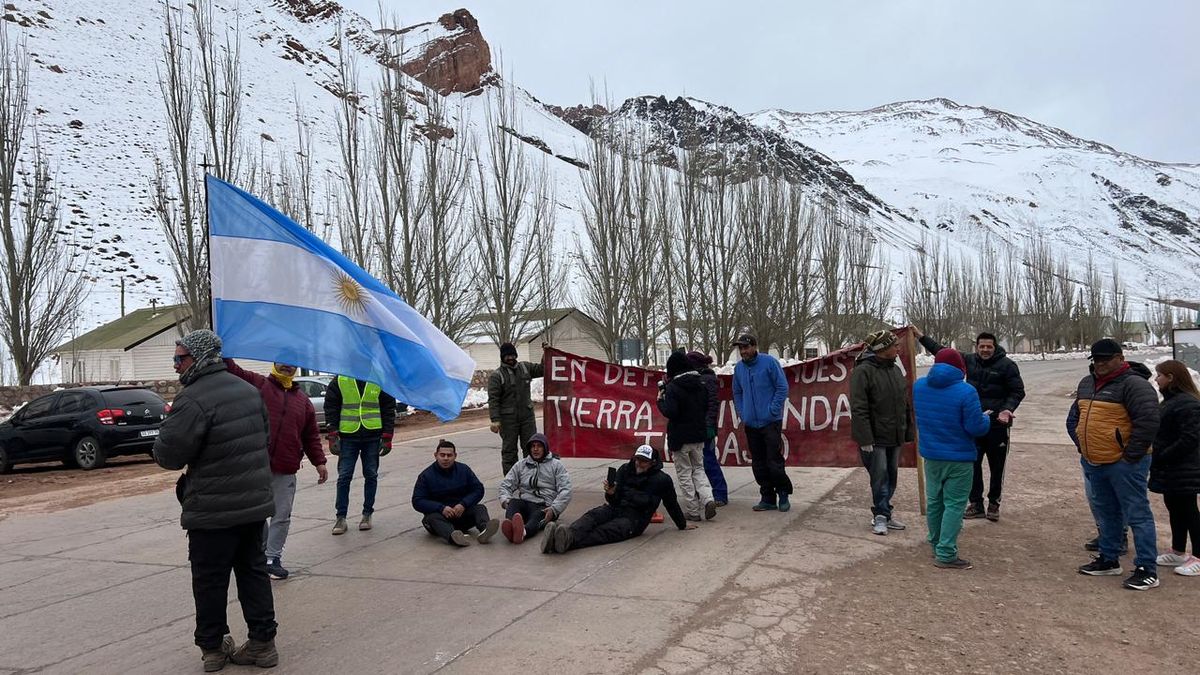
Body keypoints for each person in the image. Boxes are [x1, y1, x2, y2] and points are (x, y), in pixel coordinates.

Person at [153, 330, 278, 671]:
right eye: (175, 359)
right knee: (253, 573)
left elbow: (169, 456)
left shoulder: (192, 400)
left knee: (210, 581)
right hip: (253, 507)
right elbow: (264, 440)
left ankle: (212, 648)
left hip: (211, 510)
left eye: (181, 358)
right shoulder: (250, 392)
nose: (176, 365)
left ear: (200, 357)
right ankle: (263, 643)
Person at [1068, 339, 1161, 591]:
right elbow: (1076, 417)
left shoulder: (1135, 385)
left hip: (1124, 463)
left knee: (1137, 513)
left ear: (1120, 358)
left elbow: (1149, 422)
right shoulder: (1087, 383)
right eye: (1096, 359)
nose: (1100, 364)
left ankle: (1146, 568)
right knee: (1106, 512)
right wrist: (1083, 445)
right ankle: (1109, 558)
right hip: (1094, 461)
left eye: (1106, 359)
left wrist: (1130, 456)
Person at [225, 359, 328, 580]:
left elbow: (310, 436)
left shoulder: (303, 402)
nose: (287, 366)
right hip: (255, 465)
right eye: (283, 362)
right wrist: (225, 349)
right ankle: (260, 553)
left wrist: (319, 461)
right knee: (256, 514)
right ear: (274, 363)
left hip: (286, 467)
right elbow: (233, 370)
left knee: (281, 515)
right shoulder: (259, 384)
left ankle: (272, 558)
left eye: (292, 363)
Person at [914, 329, 1025, 521]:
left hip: (997, 425)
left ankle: (994, 503)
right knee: (972, 466)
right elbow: (942, 352)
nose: (985, 350)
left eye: (989, 346)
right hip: (972, 423)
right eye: (981, 346)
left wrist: (1007, 409)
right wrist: (921, 337)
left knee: (997, 467)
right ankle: (976, 504)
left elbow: (1017, 391)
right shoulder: (970, 360)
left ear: (995, 346)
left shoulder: (1007, 366)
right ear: (976, 347)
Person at [914, 349, 992, 570]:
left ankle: (935, 542)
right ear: (961, 368)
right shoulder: (966, 391)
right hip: (959, 457)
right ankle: (946, 553)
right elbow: (975, 427)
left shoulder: (918, 386)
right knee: (955, 505)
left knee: (935, 501)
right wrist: (986, 419)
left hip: (930, 455)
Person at [542, 445, 695, 554]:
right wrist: (611, 492)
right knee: (593, 515)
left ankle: (565, 542)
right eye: (637, 459)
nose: (638, 463)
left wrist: (681, 524)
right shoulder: (625, 470)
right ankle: (565, 534)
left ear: (653, 463)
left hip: (634, 519)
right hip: (615, 508)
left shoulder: (662, 480)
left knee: (604, 532)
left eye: (643, 461)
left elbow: (667, 503)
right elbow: (613, 500)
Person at [850, 329, 913, 535]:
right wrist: (865, 438)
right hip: (875, 438)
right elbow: (859, 407)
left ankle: (884, 512)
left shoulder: (895, 370)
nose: (898, 348)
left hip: (894, 435)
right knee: (880, 477)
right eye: (894, 345)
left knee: (891, 476)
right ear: (882, 348)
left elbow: (903, 404)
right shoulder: (863, 371)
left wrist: (907, 431)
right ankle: (880, 515)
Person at [730, 333, 793, 512]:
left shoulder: (769, 363)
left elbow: (782, 387)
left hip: (770, 421)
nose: (743, 351)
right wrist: (743, 413)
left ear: (754, 347)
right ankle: (767, 497)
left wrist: (773, 409)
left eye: (746, 347)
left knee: (773, 460)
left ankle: (783, 493)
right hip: (751, 423)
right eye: (740, 348)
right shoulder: (739, 369)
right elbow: (737, 392)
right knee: (758, 462)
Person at [325, 376, 395, 535]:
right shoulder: (341, 379)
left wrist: (387, 436)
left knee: (371, 475)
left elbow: (388, 407)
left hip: (373, 435)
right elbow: (331, 406)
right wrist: (332, 433)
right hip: (348, 435)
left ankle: (367, 514)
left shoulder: (379, 379)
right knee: (344, 477)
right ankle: (341, 517)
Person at [1149, 360, 1200, 576]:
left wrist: (1163, 454)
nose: (1156, 379)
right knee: (1174, 508)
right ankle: (1178, 550)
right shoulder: (1170, 401)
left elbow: (1190, 438)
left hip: (1184, 468)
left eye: (1159, 375)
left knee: (1189, 511)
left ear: (1171, 378)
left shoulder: (1188, 403)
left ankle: (1198, 556)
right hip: (1171, 469)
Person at [658, 351, 717, 521]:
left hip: (680, 438)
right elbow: (706, 406)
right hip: (698, 435)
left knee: (685, 474)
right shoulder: (701, 384)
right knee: (699, 469)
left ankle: (692, 510)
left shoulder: (673, 388)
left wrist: (660, 401)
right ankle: (708, 499)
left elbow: (671, 412)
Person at [412, 439, 500, 546]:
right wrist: (441, 508)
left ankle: (485, 530)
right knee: (431, 518)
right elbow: (417, 500)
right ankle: (453, 537)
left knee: (480, 508)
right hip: (440, 519)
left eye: (449, 455)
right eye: (442, 455)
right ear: (435, 455)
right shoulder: (426, 476)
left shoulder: (464, 470)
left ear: (455, 456)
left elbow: (478, 489)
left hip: (461, 515)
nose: (445, 458)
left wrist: (463, 504)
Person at [498, 432, 572, 543]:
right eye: (533, 446)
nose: (535, 449)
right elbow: (506, 484)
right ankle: (512, 526)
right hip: (525, 502)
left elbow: (566, 490)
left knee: (537, 516)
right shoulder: (521, 465)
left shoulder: (556, 465)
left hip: (545, 505)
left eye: (539, 446)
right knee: (513, 503)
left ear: (545, 448)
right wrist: (505, 500)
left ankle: (523, 532)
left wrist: (554, 508)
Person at [488, 342, 545, 475]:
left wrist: (546, 353)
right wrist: (495, 420)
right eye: (507, 356)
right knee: (509, 451)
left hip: (527, 418)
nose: (510, 358)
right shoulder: (497, 376)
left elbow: (543, 369)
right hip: (508, 421)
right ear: (502, 357)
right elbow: (493, 400)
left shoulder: (525, 368)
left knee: (531, 448)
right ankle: (511, 480)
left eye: (512, 355)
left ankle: (532, 477)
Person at [687, 350, 729, 506]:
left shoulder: (706, 380)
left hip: (705, 428)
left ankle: (720, 494)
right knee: (696, 463)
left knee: (708, 461)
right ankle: (703, 492)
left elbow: (712, 404)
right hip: (695, 427)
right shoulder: (694, 378)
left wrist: (709, 425)